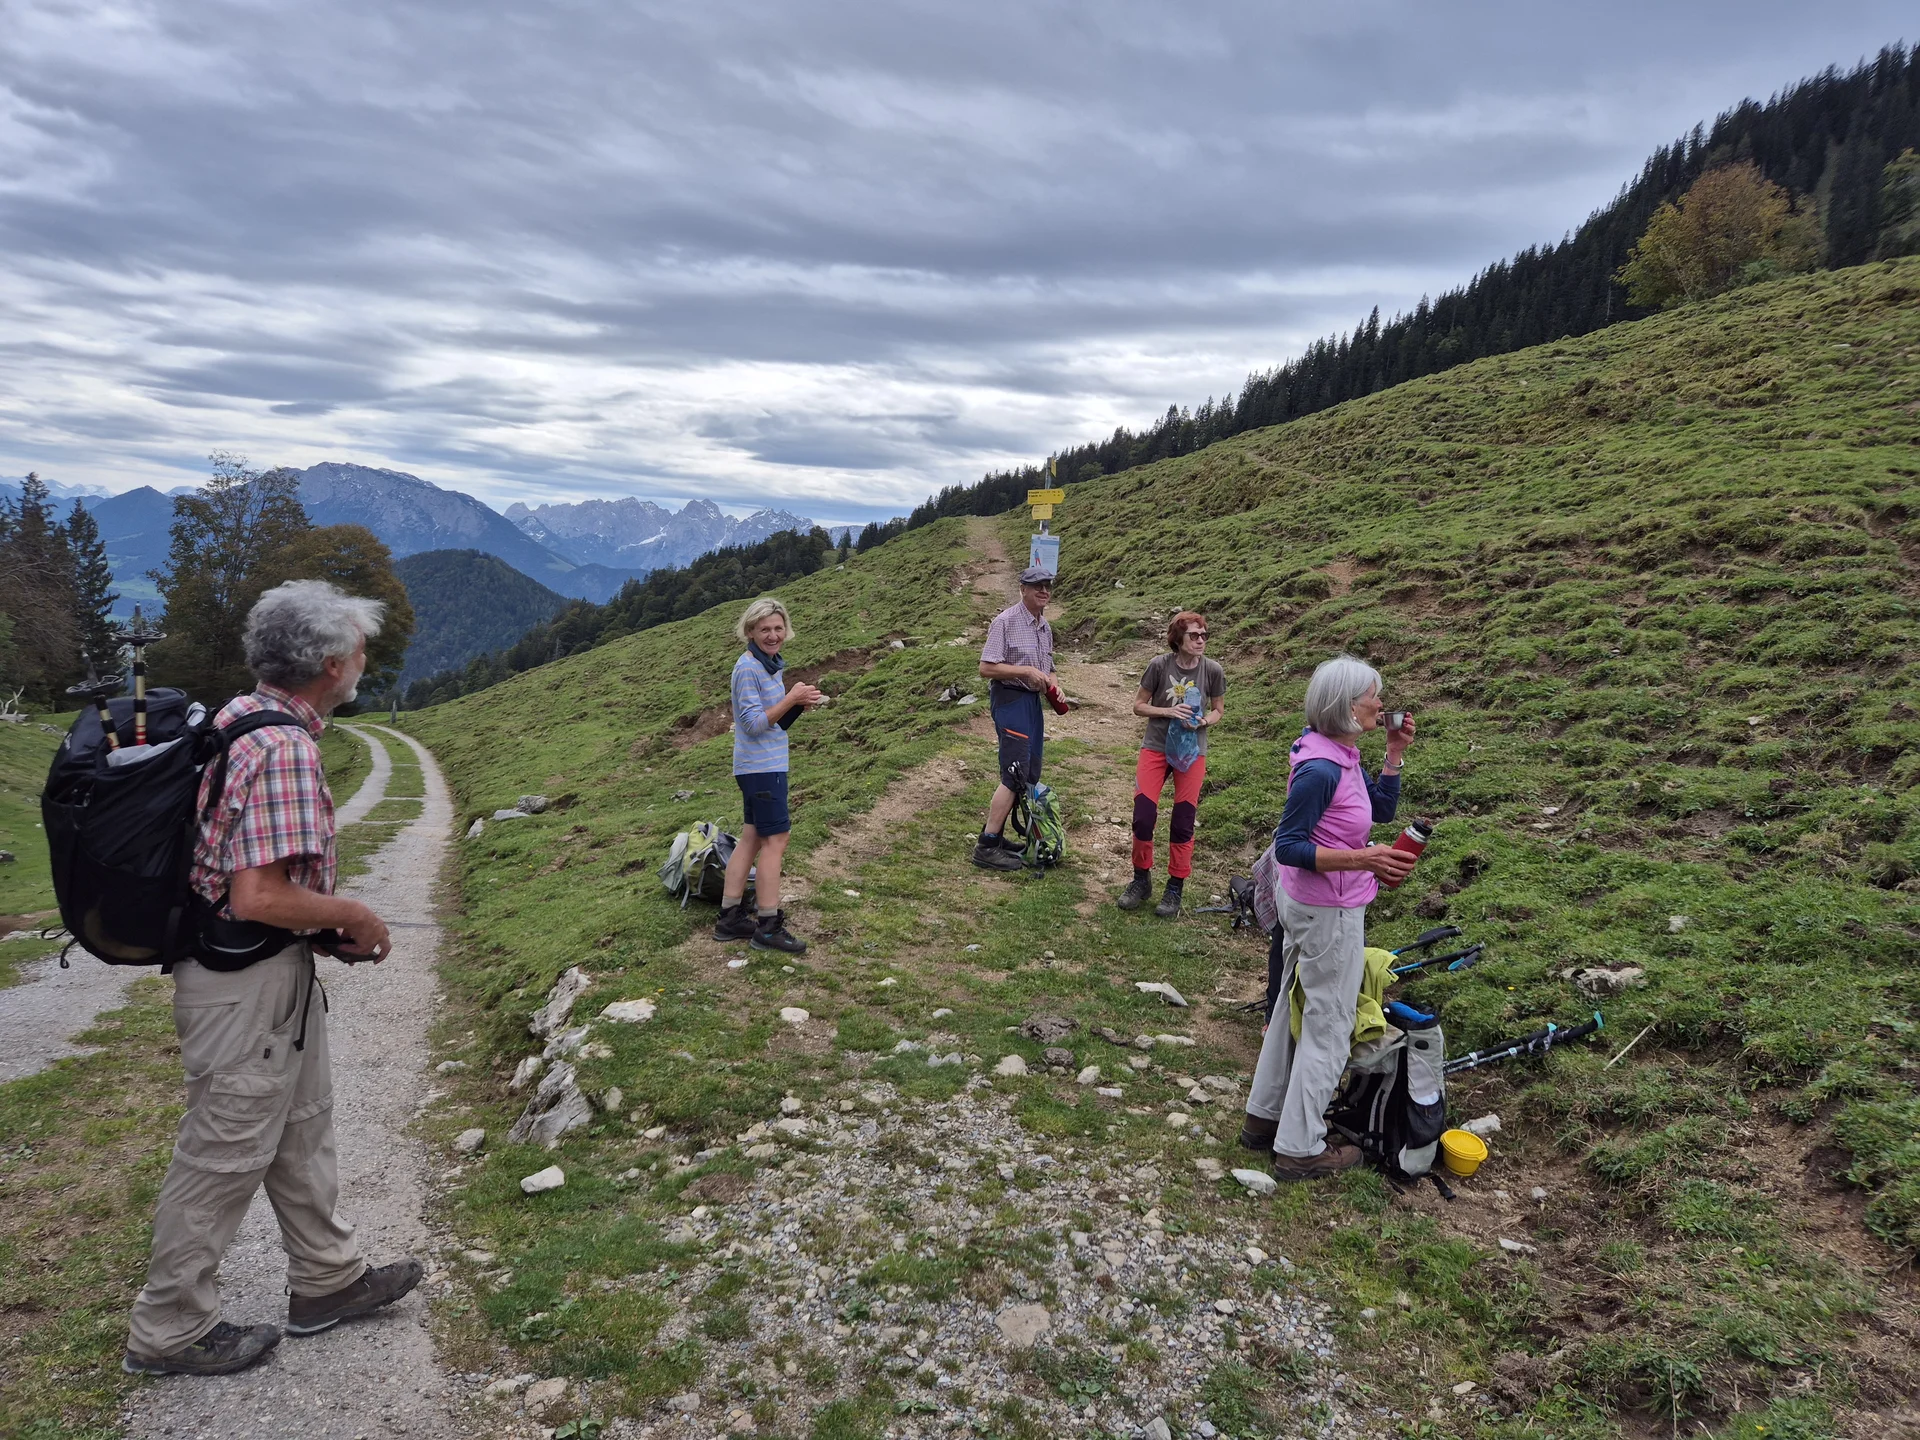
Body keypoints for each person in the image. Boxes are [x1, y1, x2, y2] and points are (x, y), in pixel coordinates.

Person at [124, 580, 422, 1377]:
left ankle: (328, 1280)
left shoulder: (239, 716)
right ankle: (170, 1329)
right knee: (223, 1152)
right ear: (331, 663)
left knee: (301, 1125)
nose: (364, 661)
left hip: (257, 972)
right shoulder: (286, 746)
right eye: (359, 649)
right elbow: (257, 895)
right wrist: (352, 914)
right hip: (244, 983)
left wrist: (318, 932)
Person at [1239, 653, 1416, 1181]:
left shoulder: (1337, 751)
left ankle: (1263, 1119)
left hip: (1311, 903)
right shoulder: (1319, 768)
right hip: (1327, 909)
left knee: (1296, 1001)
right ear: (1344, 704)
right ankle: (1301, 1147)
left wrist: (1393, 754)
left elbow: (1376, 811)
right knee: (1330, 1025)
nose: (1381, 704)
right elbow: (1290, 845)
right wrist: (1365, 858)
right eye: (1372, 697)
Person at [713, 597, 823, 953]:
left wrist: (797, 706)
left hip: (763, 765)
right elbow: (753, 724)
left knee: (752, 838)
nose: (773, 635)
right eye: (765, 630)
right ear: (750, 631)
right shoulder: (748, 668)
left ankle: (730, 918)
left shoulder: (768, 665)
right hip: (761, 768)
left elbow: (773, 723)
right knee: (777, 841)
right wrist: (791, 697)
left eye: (778, 628)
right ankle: (768, 925)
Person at [1118, 610, 1226, 917]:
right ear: (1178, 638)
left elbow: (1219, 710)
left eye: (1204, 635)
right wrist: (1168, 712)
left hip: (1192, 750)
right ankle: (1141, 879)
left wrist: (1203, 720)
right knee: (1143, 815)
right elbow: (1138, 706)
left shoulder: (1213, 670)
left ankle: (1175, 886)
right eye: (1194, 635)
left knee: (1182, 819)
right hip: (1155, 747)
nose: (1201, 640)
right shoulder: (1158, 665)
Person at [973, 566, 1059, 870]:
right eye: (1038, 586)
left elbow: (1048, 665)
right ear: (1022, 588)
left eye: (1048, 586)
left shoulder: (1044, 627)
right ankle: (986, 845)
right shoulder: (1005, 622)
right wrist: (1024, 671)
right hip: (1009, 700)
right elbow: (986, 667)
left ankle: (998, 840)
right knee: (1014, 772)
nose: (1044, 591)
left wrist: (1052, 680)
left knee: (1030, 771)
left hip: (1032, 704)